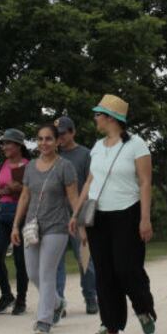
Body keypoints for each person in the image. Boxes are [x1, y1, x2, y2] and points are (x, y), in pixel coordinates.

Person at [69, 95, 156, 334]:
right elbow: (89, 181)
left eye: (98, 114)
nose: (94, 118)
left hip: (127, 213)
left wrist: (145, 219)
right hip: (99, 216)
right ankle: (110, 326)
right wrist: (76, 213)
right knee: (104, 273)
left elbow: (145, 182)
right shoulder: (97, 146)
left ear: (110, 118)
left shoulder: (136, 145)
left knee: (126, 269)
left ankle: (143, 308)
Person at [10, 123, 79, 334]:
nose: (44, 143)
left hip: (56, 226)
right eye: (40, 139)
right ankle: (57, 303)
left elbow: (73, 197)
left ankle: (44, 320)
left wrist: (78, 220)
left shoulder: (65, 166)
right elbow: (24, 196)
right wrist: (15, 225)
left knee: (47, 272)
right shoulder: (30, 167)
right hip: (32, 226)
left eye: (48, 138)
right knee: (33, 273)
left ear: (57, 141)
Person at [54, 115, 98, 316]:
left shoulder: (85, 154)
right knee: (55, 261)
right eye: (57, 134)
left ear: (72, 132)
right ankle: (58, 302)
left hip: (78, 212)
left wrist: (81, 211)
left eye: (62, 133)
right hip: (55, 213)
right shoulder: (52, 155)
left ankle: (91, 298)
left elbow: (90, 184)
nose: (59, 137)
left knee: (85, 259)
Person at [0, 128, 30, 316]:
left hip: (23, 215)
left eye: (8, 143)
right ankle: (6, 294)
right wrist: (6, 191)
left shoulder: (30, 166)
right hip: (4, 214)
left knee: (20, 260)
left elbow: (36, 190)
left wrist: (21, 188)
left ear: (19, 145)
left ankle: (21, 298)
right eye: (3, 143)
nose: (4, 146)